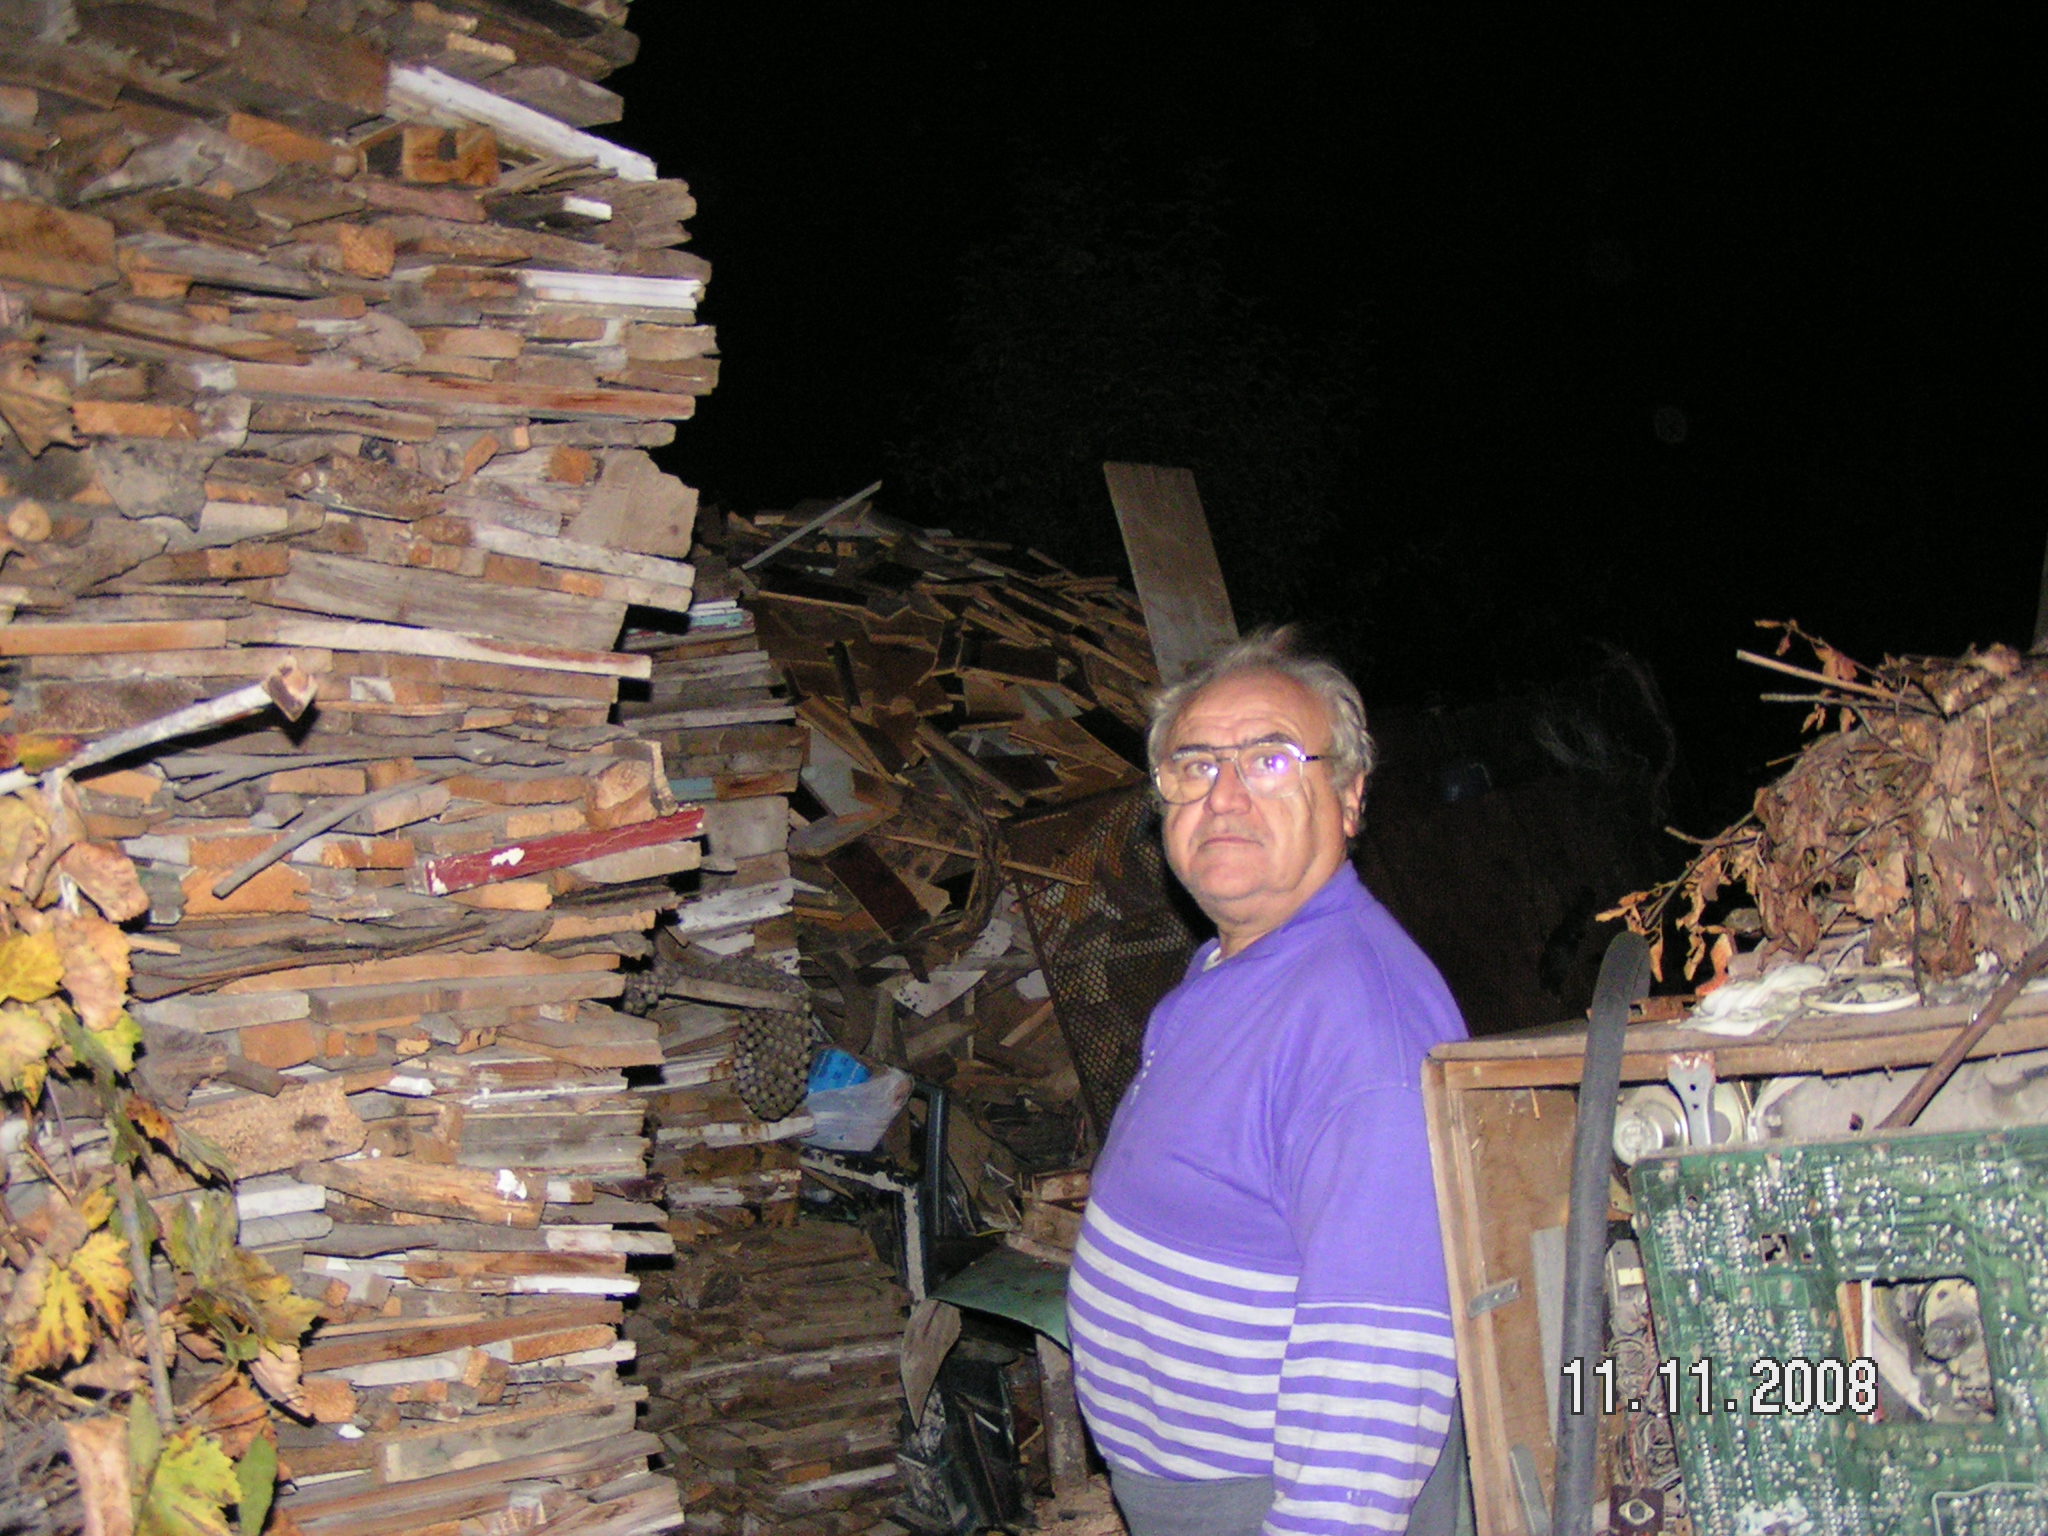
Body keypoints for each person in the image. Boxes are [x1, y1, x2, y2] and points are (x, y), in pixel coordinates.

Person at [1066, 627, 1468, 1536]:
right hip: (1196, 1494)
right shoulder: (1229, 965)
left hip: (1275, 1504)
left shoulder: (1363, 1026)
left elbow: (1379, 1378)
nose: (1225, 794)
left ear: (1351, 797)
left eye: (1271, 759)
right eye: (1195, 764)